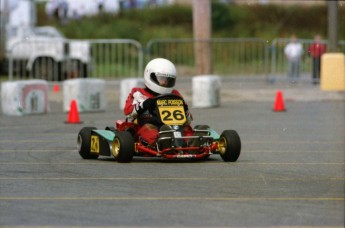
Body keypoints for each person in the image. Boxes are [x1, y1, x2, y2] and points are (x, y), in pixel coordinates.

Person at [124, 58, 193, 146]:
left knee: (186, 129)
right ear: (150, 76)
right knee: (148, 129)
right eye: (161, 79)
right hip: (150, 125)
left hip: (175, 127)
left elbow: (188, 120)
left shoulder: (175, 94)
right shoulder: (138, 93)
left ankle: (192, 143)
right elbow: (128, 112)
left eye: (168, 80)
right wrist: (145, 104)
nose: (164, 82)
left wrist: (185, 109)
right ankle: (162, 141)